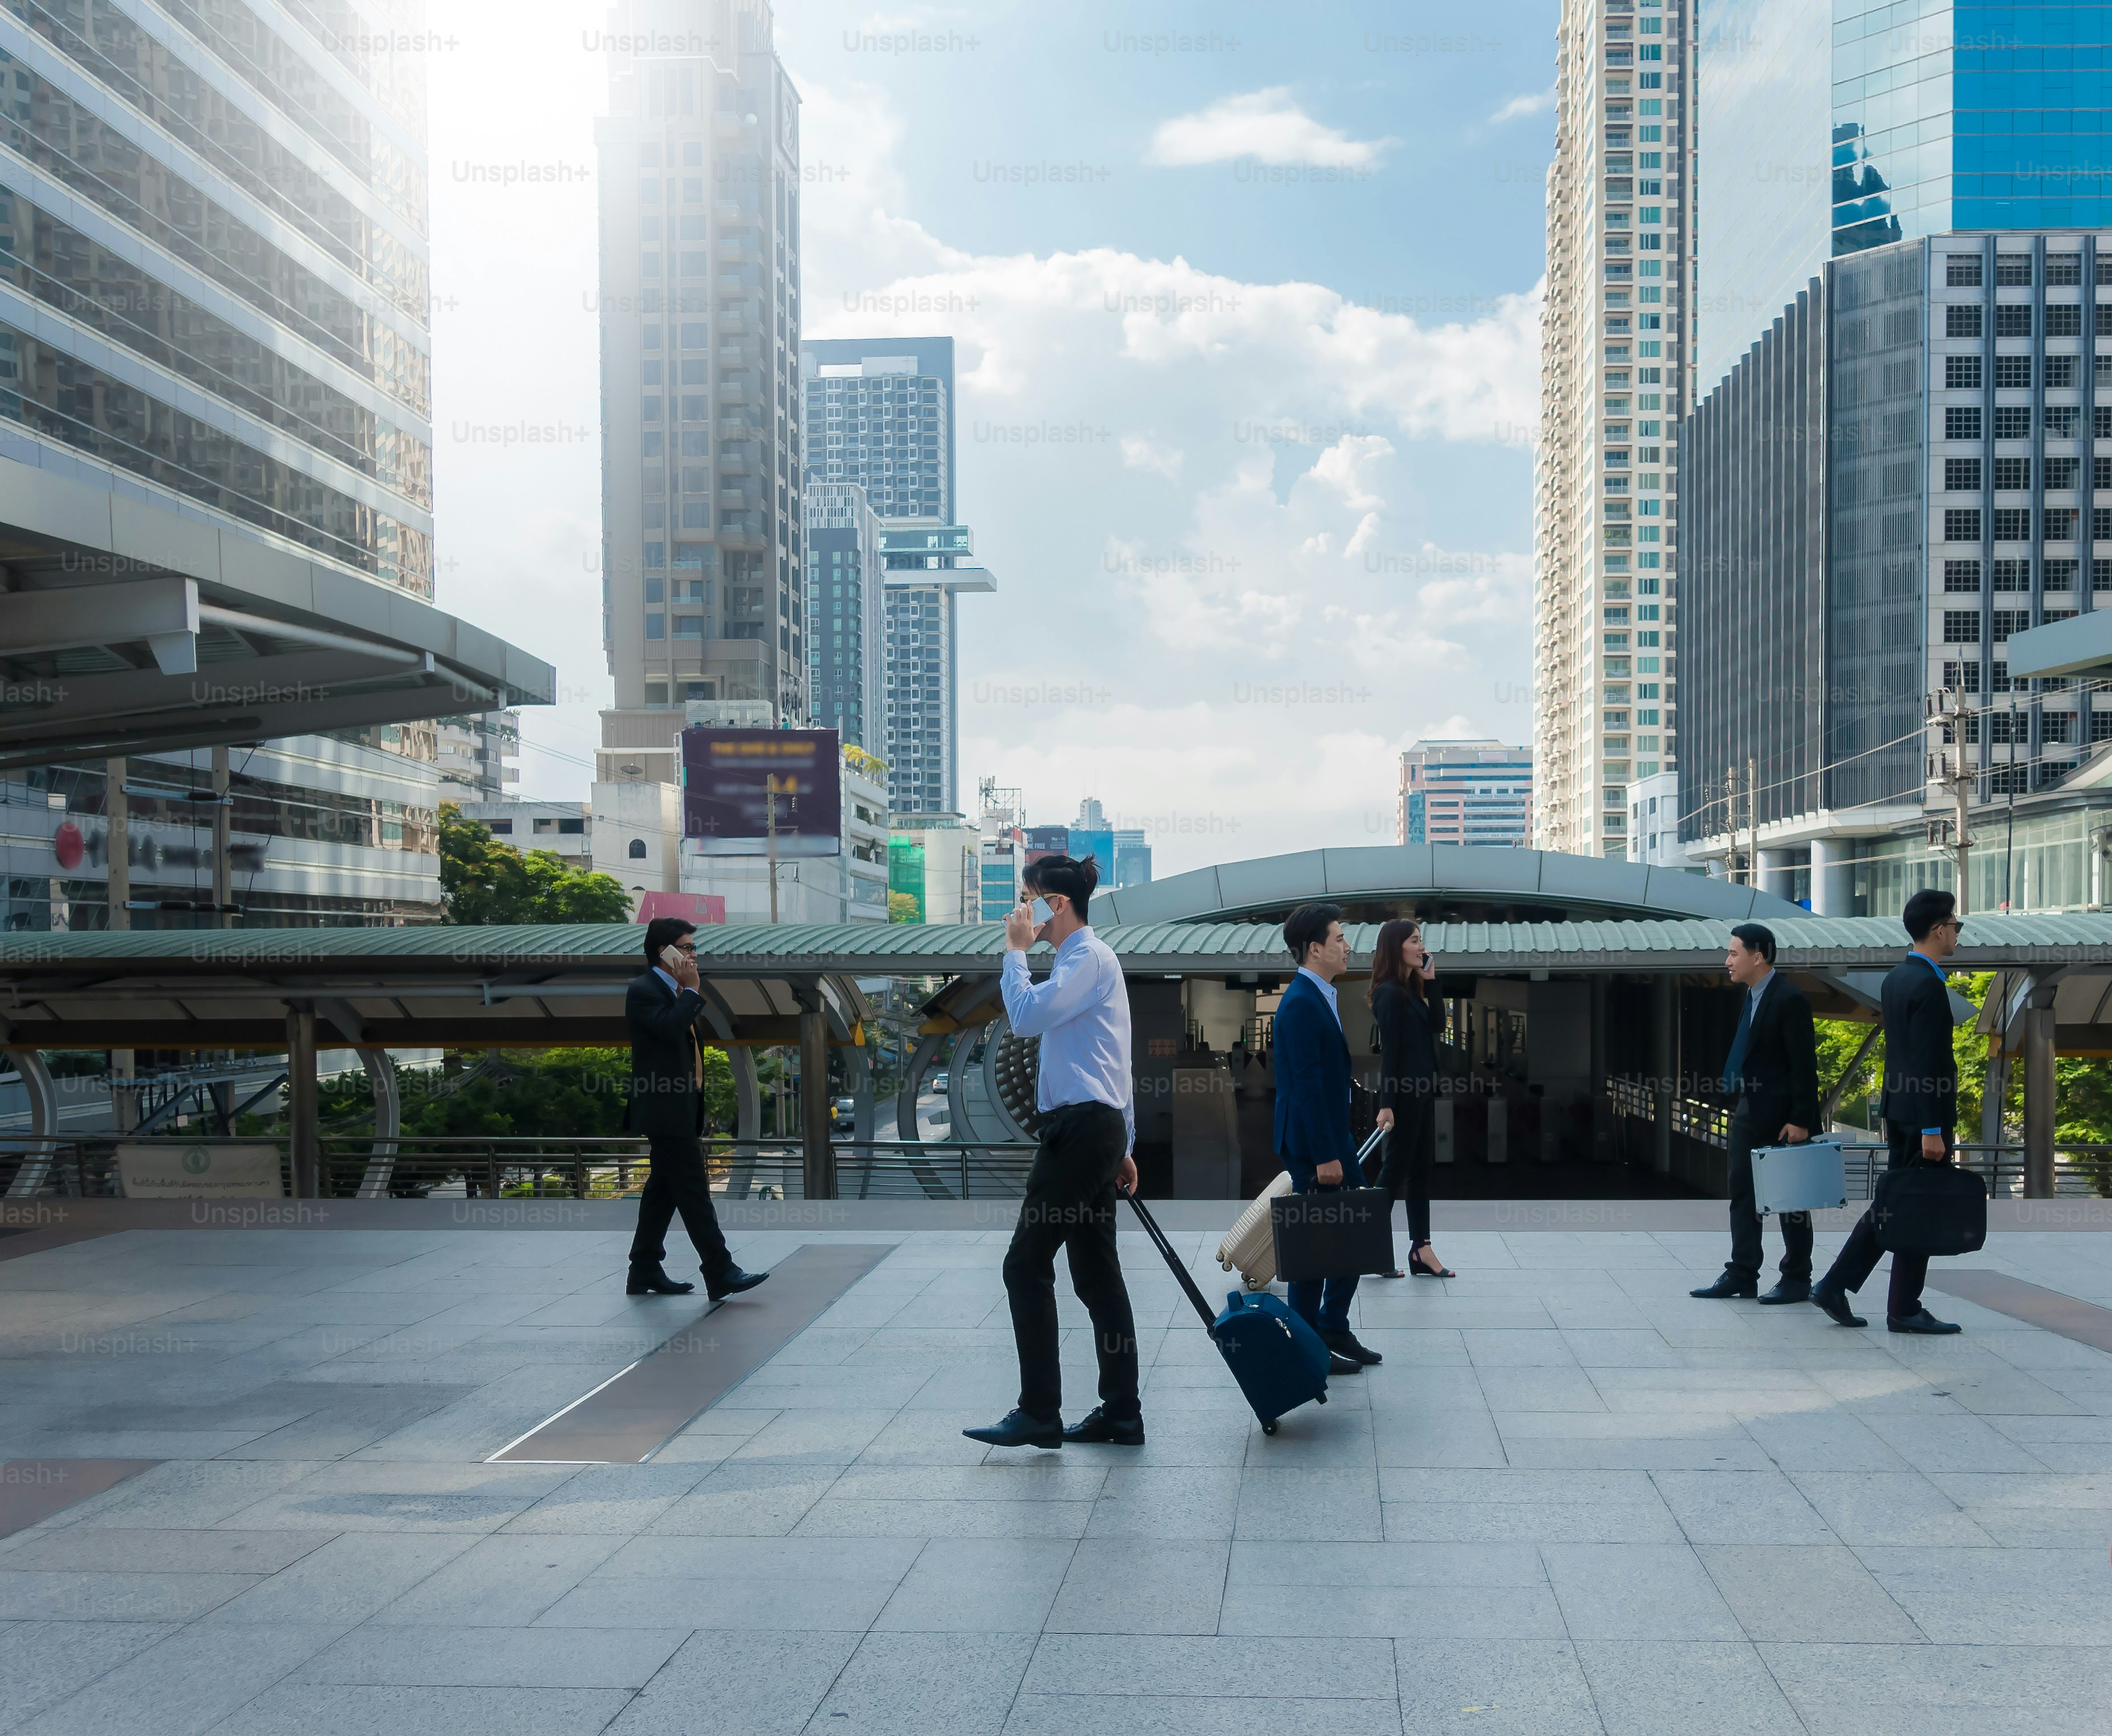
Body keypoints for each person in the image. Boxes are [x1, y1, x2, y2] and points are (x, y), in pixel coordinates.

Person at [964, 855, 1146, 1449]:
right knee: (1096, 1275)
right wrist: (1121, 1140)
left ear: (1056, 905)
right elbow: (1111, 1055)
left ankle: (1039, 1409)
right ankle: (1120, 1412)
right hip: (1093, 1130)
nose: (1021, 910)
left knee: (1024, 1263)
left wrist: (1014, 951)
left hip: (1080, 1131)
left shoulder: (1086, 959)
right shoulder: (1084, 962)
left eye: (1028, 899)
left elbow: (1023, 1016)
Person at [1812, 889, 1965, 1334]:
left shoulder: (1896, 978)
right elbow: (1929, 1062)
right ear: (1938, 929)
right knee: (1917, 1207)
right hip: (1924, 1118)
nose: (1957, 933)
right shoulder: (1929, 986)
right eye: (1955, 925)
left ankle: (1836, 1284)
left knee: (1895, 1203)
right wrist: (1933, 1129)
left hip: (1901, 1111)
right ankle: (1903, 1307)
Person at [623, 917, 767, 1300]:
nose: (693, 955)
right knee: (694, 1192)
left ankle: (644, 1268)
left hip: (680, 1108)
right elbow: (669, 1029)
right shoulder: (644, 990)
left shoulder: (674, 993)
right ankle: (720, 1270)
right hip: (664, 1111)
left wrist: (686, 993)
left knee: (663, 1191)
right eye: (686, 948)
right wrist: (692, 992)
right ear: (664, 952)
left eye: (692, 948)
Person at [1273, 902, 1380, 1371]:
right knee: (1315, 1246)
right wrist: (1324, 1157)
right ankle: (1306, 1344)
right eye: (1339, 938)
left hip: (1332, 1139)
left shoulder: (1321, 995)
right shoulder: (1300, 1002)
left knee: (1353, 1231)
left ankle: (1332, 1325)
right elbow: (1306, 1084)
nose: (1347, 945)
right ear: (1315, 949)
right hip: (1317, 1146)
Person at [1690, 922, 1821, 1304]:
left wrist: (1800, 1120)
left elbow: (1804, 1066)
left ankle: (1797, 1277)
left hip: (1784, 1118)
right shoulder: (1751, 995)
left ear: (1758, 955)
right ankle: (1742, 1272)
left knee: (1790, 1200)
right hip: (1751, 1108)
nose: (1727, 960)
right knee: (1742, 1193)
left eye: (1734, 953)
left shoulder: (1789, 999)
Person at [1370, 917, 1453, 1279]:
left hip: (1421, 1092)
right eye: (1415, 941)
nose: (1422, 947)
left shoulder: (1411, 989)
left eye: (1422, 940)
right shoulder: (1389, 992)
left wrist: (1432, 983)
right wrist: (1386, 1103)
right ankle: (1370, 1247)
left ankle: (1421, 1248)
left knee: (1420, 1172)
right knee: (1393, 1174)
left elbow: (1438, 1024)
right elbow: (1389, 1052)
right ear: (1396, 947)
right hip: (1402, 1096)